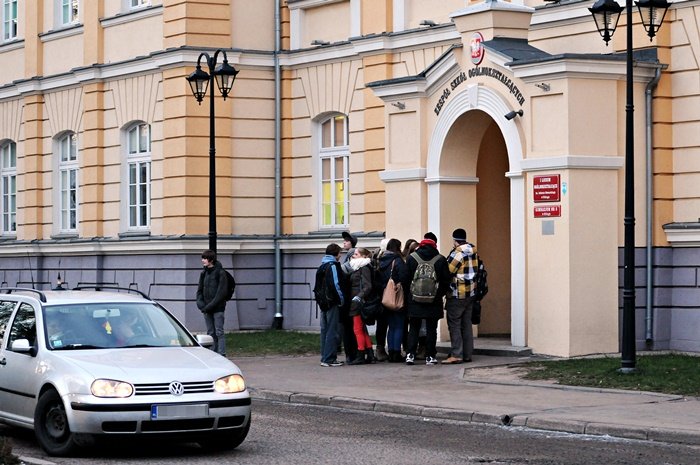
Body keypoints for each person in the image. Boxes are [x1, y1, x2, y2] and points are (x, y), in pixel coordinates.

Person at [404, 234, 451, 366]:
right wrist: (437, 295)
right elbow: (446, 281)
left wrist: (411, 294)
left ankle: (410, 354)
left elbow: (405, 279)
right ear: (434, 245)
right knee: (431, 328)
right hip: (433, 301)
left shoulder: (411, 258)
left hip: (414, 300)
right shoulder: (440, 259)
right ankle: (430, 356)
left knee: (413, 328)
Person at [443, 228, 479, 364]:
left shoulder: (458, 253)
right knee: (466, 324)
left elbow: (448, 270)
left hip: (457, 293)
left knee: (454, 324)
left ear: (455, 240)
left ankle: (456, 354)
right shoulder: (474, 252)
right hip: (471, 293)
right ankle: (467, 354)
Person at [376, 238, 410, 363]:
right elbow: (404, 277)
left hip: (385, 298)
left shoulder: (381, 261)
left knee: (391, 326)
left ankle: (390, 352)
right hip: (397, 296)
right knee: (399, 325)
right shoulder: (398, 261)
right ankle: (396, 353)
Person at [316, 243, 345, 367]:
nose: (340, 255)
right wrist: (341, 299)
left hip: (323, 302)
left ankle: (324, 356)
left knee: (325, 330)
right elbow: (336, 284)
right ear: (336, 254)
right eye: (339, 253)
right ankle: (329, 358)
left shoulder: (321, 266)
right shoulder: (332, 266)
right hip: (331, 301)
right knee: (332, 330)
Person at [196, 249, 229, 356]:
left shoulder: (220, 273)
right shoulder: (204, 273)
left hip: (218, 308)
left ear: (211, 260)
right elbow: (199, 290)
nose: (203, 260)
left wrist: (209, 306)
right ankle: (212, 354)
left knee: (219, 332)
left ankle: (222, 354)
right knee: (210, 333)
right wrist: (201, 304)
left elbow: (221, 293)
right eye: (203, 258)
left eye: (205, 258)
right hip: (206, 308)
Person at [347, 247, 376, 365]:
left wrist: (359, 296)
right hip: (357, 301)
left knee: (357, 329)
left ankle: (361, 355)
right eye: (354, 253)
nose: (354, 255)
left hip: (359, 303)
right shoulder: (357, 266)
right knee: (362, 329)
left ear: (364, 256)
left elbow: (367, 286)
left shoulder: (364, 267)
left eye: (356, 253)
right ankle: (370, 354)